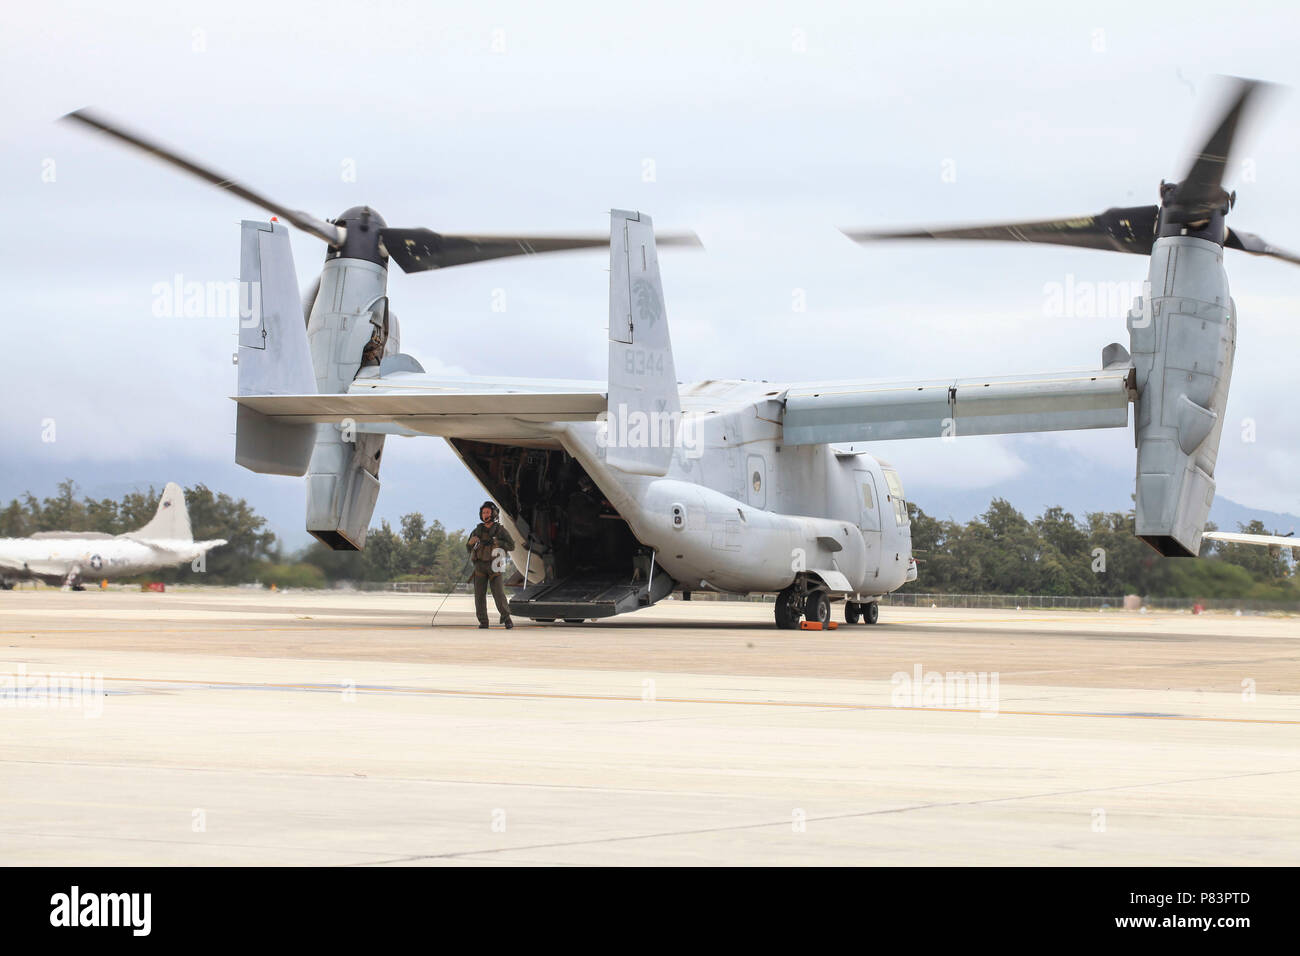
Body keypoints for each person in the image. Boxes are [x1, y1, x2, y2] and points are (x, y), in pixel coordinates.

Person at [467, 500, 514, 629]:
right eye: (483, 512)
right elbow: (468, 548)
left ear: (493, 514)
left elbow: (512, 545)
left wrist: (498, 542)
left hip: (495, 566)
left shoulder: (500, 531)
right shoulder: (477, 530)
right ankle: (483, 621)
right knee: (479, 596)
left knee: (498, 594)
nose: (485, 515)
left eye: (487, 512)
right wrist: (471, 543)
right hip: (480, 566)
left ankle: (507, 619)